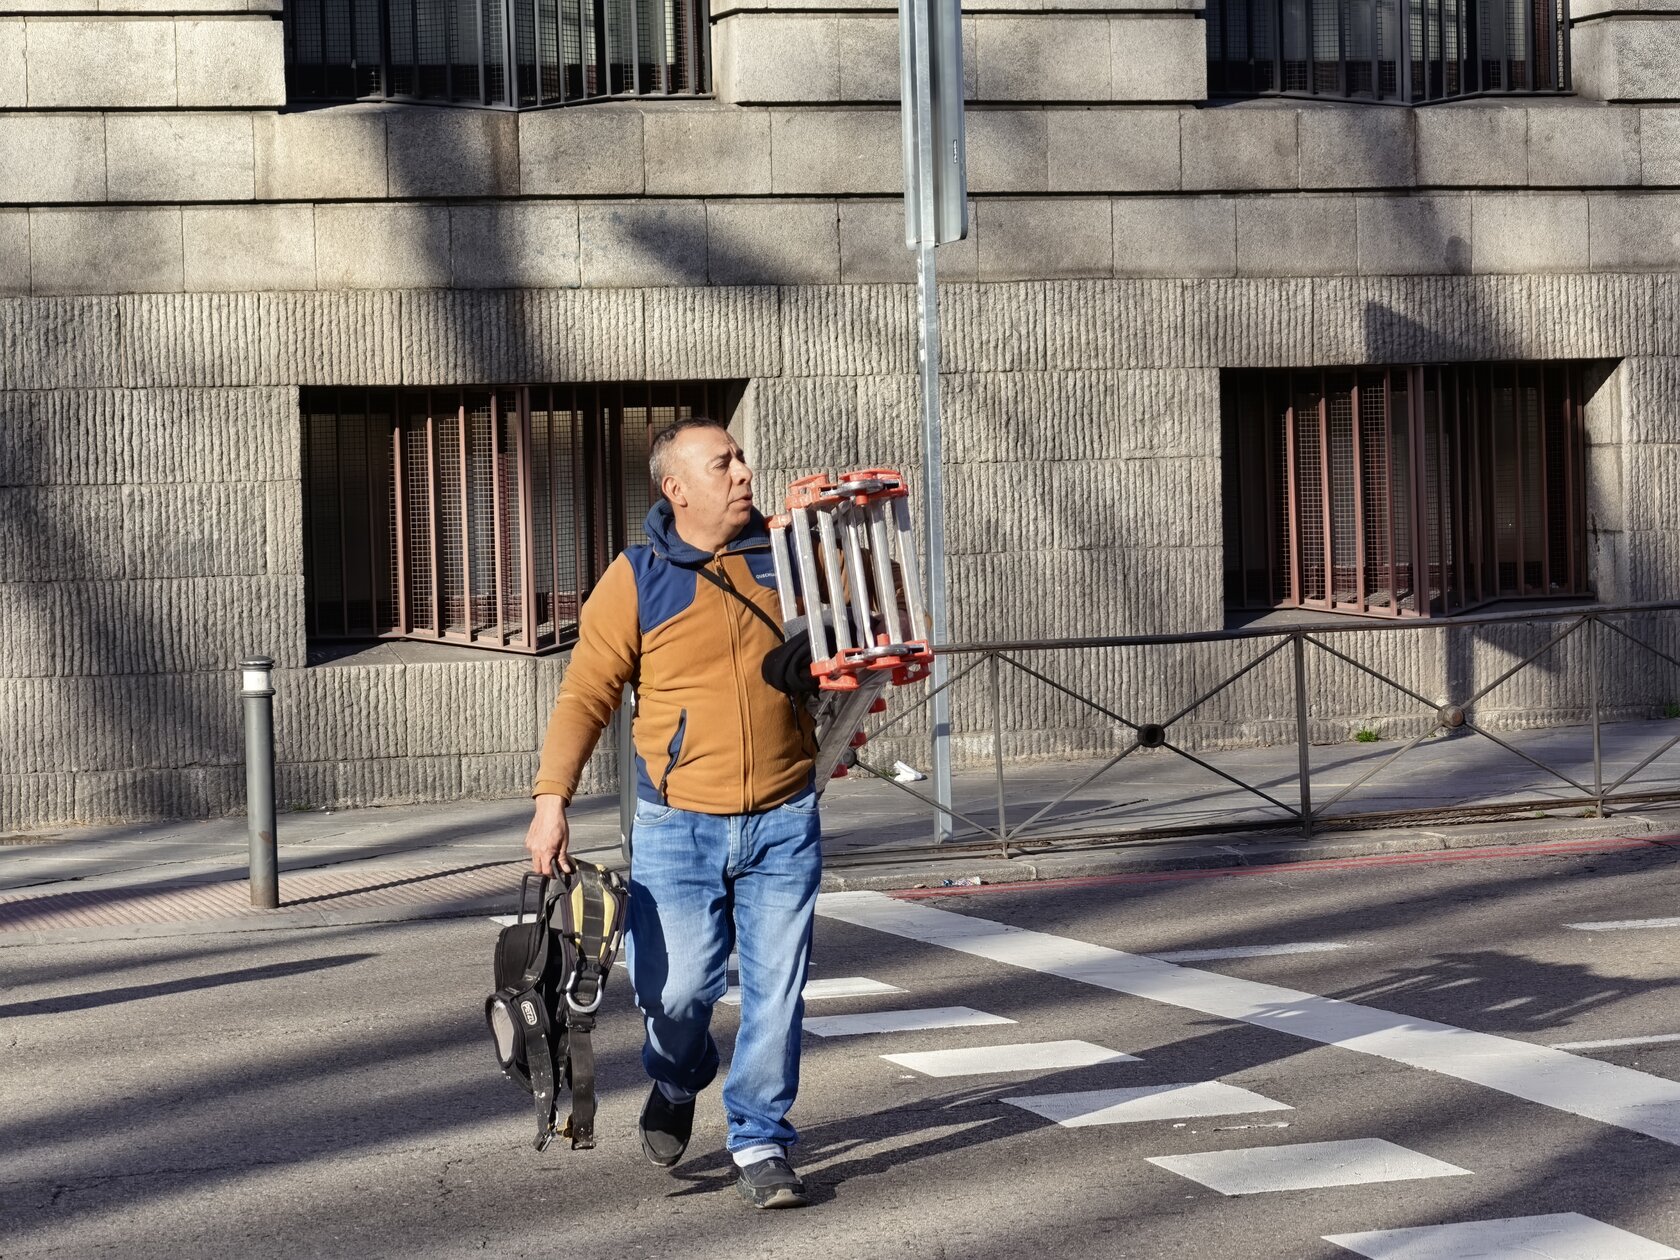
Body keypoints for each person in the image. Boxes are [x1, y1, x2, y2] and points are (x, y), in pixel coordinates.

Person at [524, 418, 822, 1209]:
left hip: (784, 815)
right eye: (723, 463)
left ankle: (760, 1137)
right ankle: (679, 1075)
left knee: (777, 993)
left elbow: (868, 617)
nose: (744, 472)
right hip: (677, 826)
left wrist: (847, 547)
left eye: (742, 458)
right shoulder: (637, 576)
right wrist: (552, 801)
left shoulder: (787, 554)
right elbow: (586, 694)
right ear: (677, 489)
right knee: (677, 994)